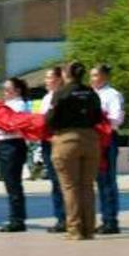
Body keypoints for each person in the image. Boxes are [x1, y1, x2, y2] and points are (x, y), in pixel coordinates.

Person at [46, 61, 103, 240]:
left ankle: (75, 230)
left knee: (70, 187)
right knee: (87, 186)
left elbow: (51, 119)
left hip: (67, 139)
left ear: (66, 74)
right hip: (90, 139)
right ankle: (89, 229)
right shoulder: (91, 92)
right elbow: (98, 117)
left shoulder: (61, 93)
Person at [90, 64, 124, 234]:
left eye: (95, 75)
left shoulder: (112, 94)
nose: (92, 79)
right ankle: (105, 218)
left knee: (108, 180)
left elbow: (117, 118)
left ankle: (111, 220)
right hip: (94, 139)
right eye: (91, 76)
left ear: (104, 77)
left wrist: (100, 118)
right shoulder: (92, 94)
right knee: (100, 181)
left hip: (108, 138)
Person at [0, 77, 30, 232]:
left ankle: (17, 219)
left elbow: (14, 125)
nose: (5, 92)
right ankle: (15, 217)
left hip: (13, 144)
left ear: (17, 90)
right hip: (2, 143)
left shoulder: (20, 105)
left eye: (8, 89)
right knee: (9, 183)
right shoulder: (5, 105)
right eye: (4, 89)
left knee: (13, 183)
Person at [38, 67, 66, 232]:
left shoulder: (63, 96)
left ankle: (67, 218)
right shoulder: (46, 97)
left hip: (58, 140)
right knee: (55, 182)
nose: (46, 81)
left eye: (49, 78)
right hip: (47, 142)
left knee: (62, 181)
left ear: (59, 79)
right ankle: (60, 217)